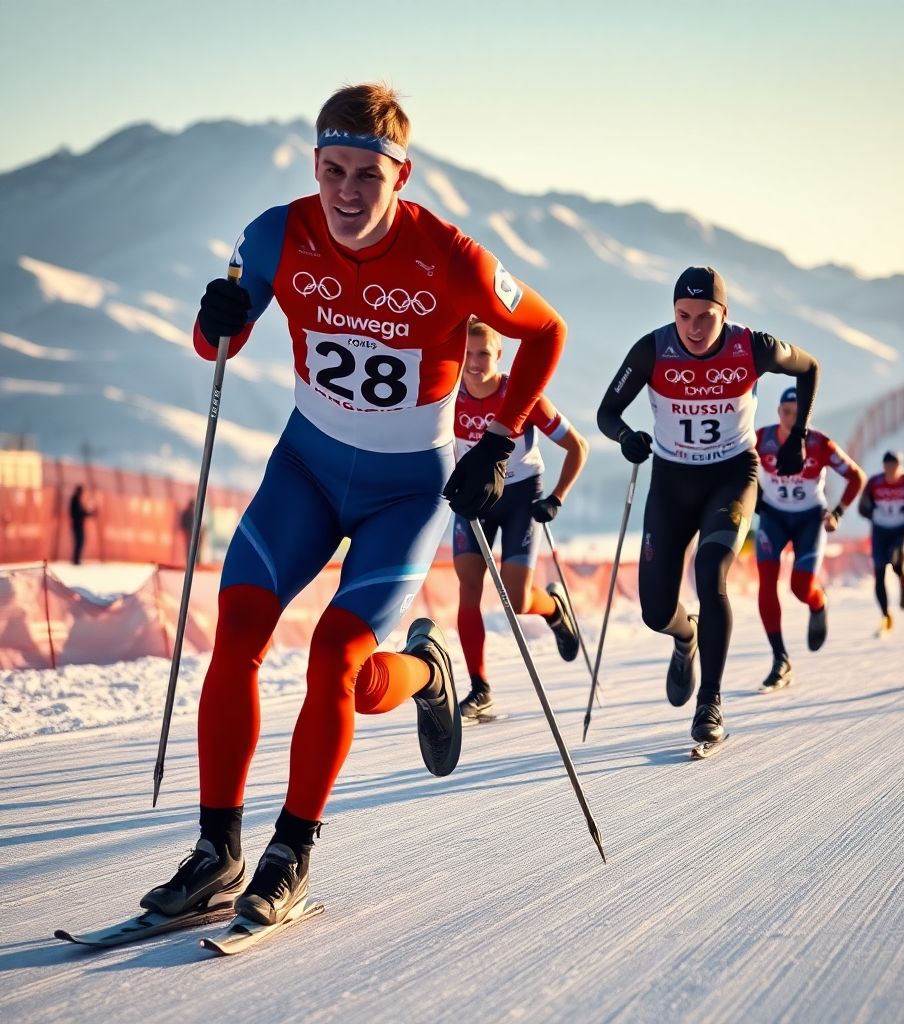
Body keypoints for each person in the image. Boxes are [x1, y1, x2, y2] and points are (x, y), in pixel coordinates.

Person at [140, 84, 567, 928]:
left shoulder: (453, 257)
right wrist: (213, 318)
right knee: (238, 631)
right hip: (305, 467)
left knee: (342, 664)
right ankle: (217, 849)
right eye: (331, 170)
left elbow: (546, 333)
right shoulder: (275, 233)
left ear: (400, 176)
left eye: (366, 176)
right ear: (313, 166)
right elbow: (218, 340)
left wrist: (497, 442)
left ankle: (299, 840)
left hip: (405, 491)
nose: (345, 192)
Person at [596, 265, 819, 746]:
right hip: (672, 483)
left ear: (725, 314)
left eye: (705, 317)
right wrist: (626, 438)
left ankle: (710, 704)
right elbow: (606, 412)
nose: (693, 329)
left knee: (710, 571)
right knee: (655, 611)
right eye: (683, 316)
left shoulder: (753, 347)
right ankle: (685, 635)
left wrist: (798, 436)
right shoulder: (653, 349)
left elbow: (809, 367)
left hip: (732, 477)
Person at [453, 318, 589, 721]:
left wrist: (556, 499)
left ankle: (552, 609)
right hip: (475, 501)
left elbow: (577, 447)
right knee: (468, 590)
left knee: (515, 598)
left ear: (499, 355)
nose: (474, 364)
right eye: (467, 354)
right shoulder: (447, 395)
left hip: (519, 497)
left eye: (483, 354)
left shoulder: (522, 395)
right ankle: (480, 688)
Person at [754, 389, 865, 687]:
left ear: (806, 416)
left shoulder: (819, 443)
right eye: (786, 412)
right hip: (773, 518)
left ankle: (818, 603)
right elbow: (736, 468)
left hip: (809, 520)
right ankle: (780, 658)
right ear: (778, 413)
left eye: (798, 413)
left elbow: (857, 477)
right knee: (766, 579)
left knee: (800, 587)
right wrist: (756, 497)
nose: (791, 419)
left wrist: (838, 513)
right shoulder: (760, 439)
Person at [858, 450, 904, 633]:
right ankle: (885, 614)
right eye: (888, 466)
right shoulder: (874, 482)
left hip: (901, 530)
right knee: (879, 572)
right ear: (884, 466)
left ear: (900, 466)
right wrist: (871, 511)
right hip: (880, 531)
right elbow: (862, 506)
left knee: (896, 559)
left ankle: (903, 579)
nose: (891, 470)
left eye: (894, 466)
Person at [69, 484, 95, 565]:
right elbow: (77, 512)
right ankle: (76, 560)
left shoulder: (78, 500)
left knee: (80, 542)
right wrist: (87, 513)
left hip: (79, 525)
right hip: (77, 525)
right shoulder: (75, 499)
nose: (82, 492)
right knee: (79, 542)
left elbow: (82, 512)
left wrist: (90, 513)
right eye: (81, 490)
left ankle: (77, 559)